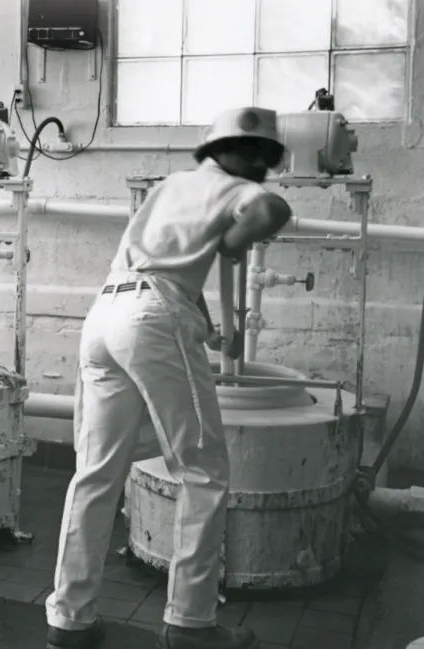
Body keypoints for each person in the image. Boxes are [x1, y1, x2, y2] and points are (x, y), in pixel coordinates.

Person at [44, 107, 293, 649]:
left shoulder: (172, 186)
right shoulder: (237, 189)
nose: (261, 167)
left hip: (105, 315)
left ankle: (70, 620)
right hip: (154, 317)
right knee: (203, 470)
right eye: (261, 158)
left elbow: (164, 265)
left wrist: (201, 323)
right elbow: (271, 207)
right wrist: (236, 240)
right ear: (253, 156)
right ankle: (190, 624)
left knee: (95, 474)